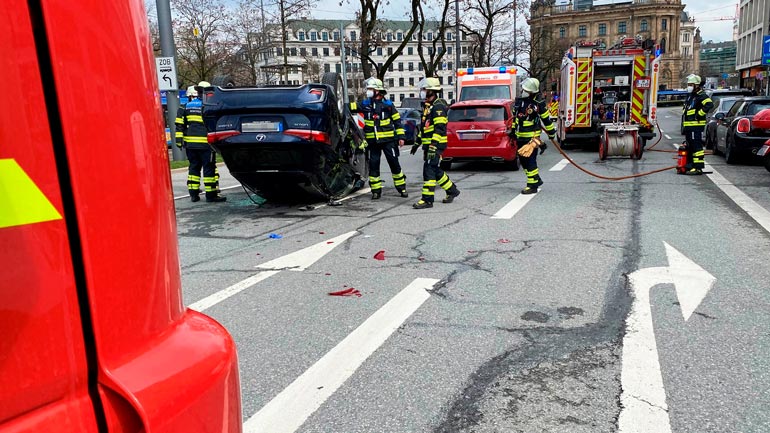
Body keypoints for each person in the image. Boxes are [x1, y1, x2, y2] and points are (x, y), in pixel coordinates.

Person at [349, 77, 408, 199]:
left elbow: (397, 121)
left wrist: (401, 137)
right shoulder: (365, 104)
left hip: (388, 141)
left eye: (371, 89)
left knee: (394, 163)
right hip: (373, 142)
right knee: (374, 166)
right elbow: (349, 107)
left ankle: (402, 188)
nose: (368, 91)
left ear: (378, 91)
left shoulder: (388, 105)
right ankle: (376, 191)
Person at [411, 77, 460, 209]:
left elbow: (439, 129)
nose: (422, 91)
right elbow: (425, 129)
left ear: (431, 91)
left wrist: (433, 146)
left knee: (428, 170)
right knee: (434, 169)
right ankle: (452, 190)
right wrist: (417, 143)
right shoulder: (429, 107)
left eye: (424, 89)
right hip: (429, 145)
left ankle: (427, 200)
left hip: (436, 145)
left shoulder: (438, 107)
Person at [176, 82, 226, 202]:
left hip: (191, 145)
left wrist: (179, 142)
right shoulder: (209, 106)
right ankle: (211, 195)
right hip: (206, 145)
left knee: (194, 168)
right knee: (209, 169)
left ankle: (194, 194)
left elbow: (179, 125)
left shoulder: (185, 106)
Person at [513, 77, 556, 194]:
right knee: (523, 160)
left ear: (531, 91)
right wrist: (512, 132)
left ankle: (532, 185)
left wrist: (551, 134)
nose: (523, 91)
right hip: (520, 137)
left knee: (530, 161)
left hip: (532, 139)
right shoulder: (519, 102)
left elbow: (546, 120)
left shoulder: (539, 104)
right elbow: (515, 119)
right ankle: (536, 180)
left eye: (525, 89)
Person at [681, 74, 713, 175]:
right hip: (689, 126)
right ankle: (691, 165)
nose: (689, 86)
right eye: (688, 84)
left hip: (696, 126)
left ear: (696, 85)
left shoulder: (701, 95)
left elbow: (709, 104)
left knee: (697, 147)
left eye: (691, 84)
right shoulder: (691, 96)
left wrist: (699, 114)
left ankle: (698, 167)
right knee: (690, 146)